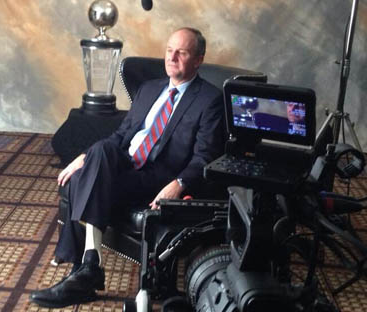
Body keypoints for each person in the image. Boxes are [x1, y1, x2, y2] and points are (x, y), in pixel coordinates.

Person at [30, 27, 225, 308]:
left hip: (155, 175)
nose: (173, 57)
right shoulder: (149, 89)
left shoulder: (209, 100)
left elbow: (204, 156)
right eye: (169, 50)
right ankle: (88, 266)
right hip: (124, 161)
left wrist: (179, 184)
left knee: (79, 181)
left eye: (182, 52)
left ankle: (83, 269)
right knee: (98, 152)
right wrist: (83, 157)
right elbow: (120, 137)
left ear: (198, 59)